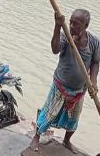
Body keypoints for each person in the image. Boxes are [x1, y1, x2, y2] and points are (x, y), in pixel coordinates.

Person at [30, 10, 100, 153]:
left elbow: (95, 62)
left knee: (73, 119)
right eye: (71, 22)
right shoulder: (65, 36)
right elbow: (55, 49)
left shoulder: (94, 42)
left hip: (79, 90)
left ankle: (67, 140)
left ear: (86, 26)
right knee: (48, 113)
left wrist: (93, 82)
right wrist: (57, 26)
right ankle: (36, 137)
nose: (72, 26)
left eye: (76, 24)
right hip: (60, 85)